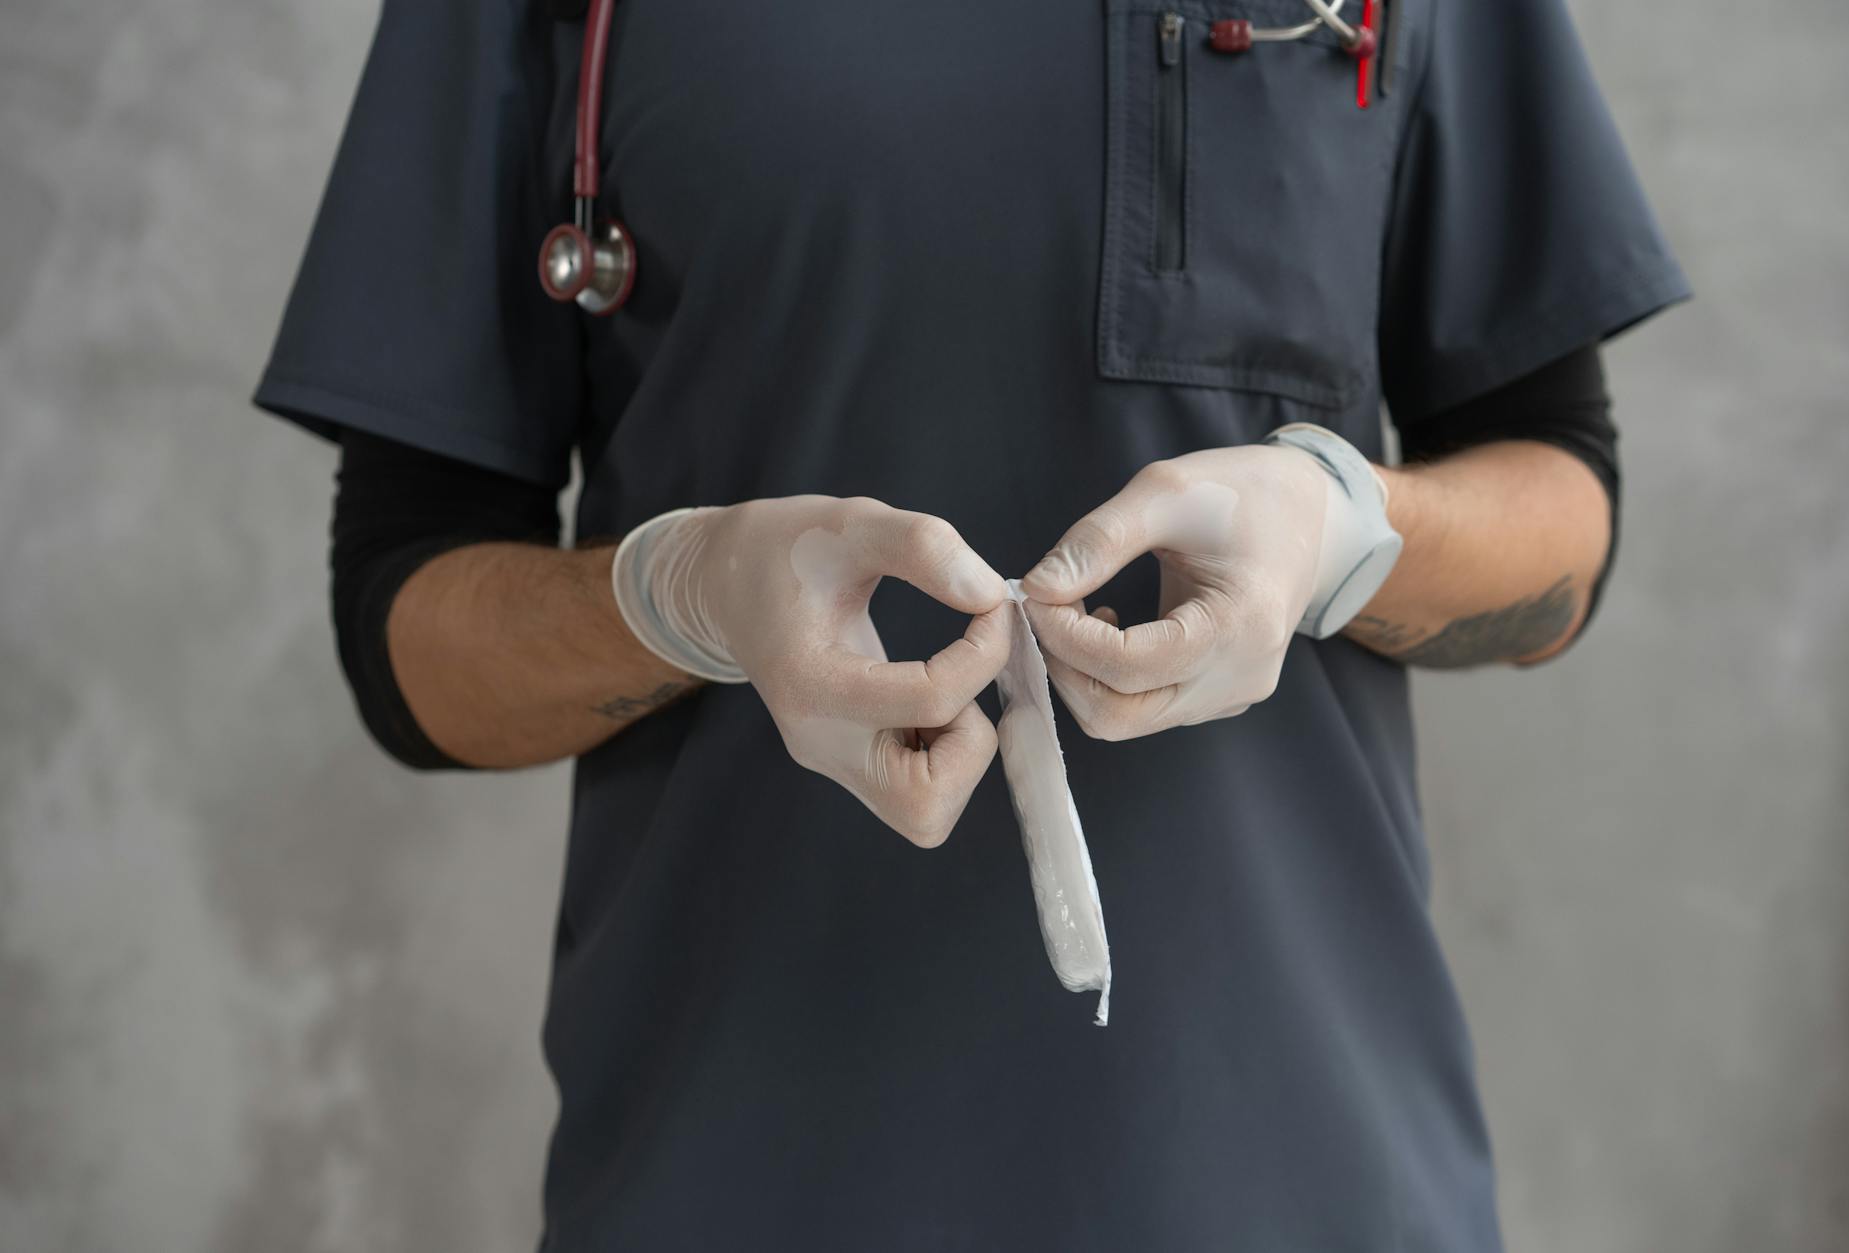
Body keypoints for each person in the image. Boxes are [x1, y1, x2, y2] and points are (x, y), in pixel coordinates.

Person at [255, 0, 1687, 1247]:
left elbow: (1560, 492)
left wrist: (1344, 530)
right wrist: (680, 596)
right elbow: (407, 625)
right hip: (736, 1184)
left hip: (1300, 1183)